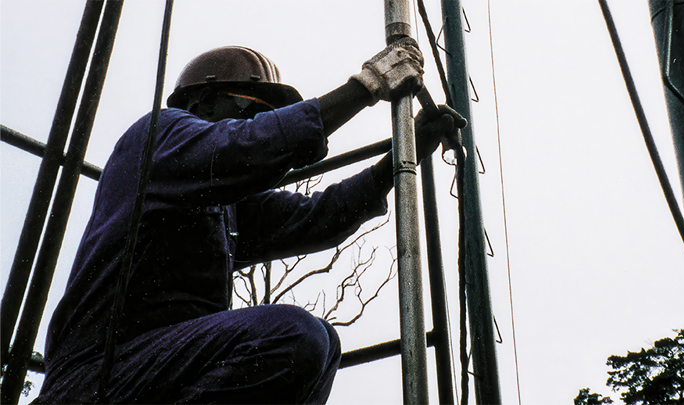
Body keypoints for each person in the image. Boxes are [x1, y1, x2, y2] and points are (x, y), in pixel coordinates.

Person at [37, 40, 464, 403]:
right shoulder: (158, 136)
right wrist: (366, 86)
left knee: (322, 344)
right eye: (250, 107)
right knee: (292, 337)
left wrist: (405, 153)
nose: (253, 120)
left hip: (164, 369)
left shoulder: (224, 208)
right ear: (201, 100)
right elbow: (248, 147)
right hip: (97, 376)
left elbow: (316, 217)